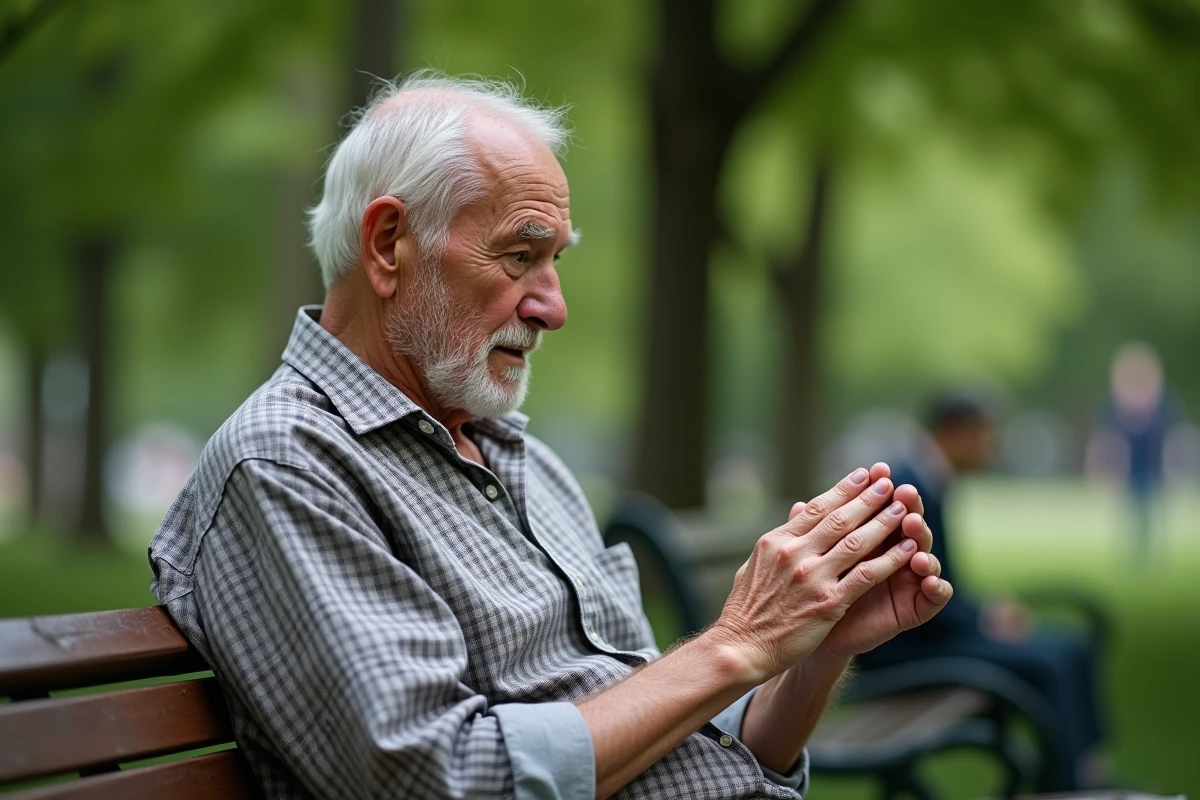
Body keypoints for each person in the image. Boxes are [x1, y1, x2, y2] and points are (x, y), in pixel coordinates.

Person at [148, 72, 953, 800]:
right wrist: (739, 643)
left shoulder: (517, 458)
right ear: (389, 244)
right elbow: (442, 782)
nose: (553, 307)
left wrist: (808, 656)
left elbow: (663, 730)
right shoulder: (289, 462)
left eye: (555, 260)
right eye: (520, 255)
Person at [856, 391, 1107, 790]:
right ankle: (1067, 788)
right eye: (986, 435)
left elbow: (933, 582)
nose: (993, 447)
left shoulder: (929, 478)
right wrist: (984, 619)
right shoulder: (910, 485)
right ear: (955, 432)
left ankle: (1086, 772)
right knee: (1051, 662)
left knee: (1069, 647)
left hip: (927, 634)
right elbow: (911, 602)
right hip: (902, 652)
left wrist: (982, 612)